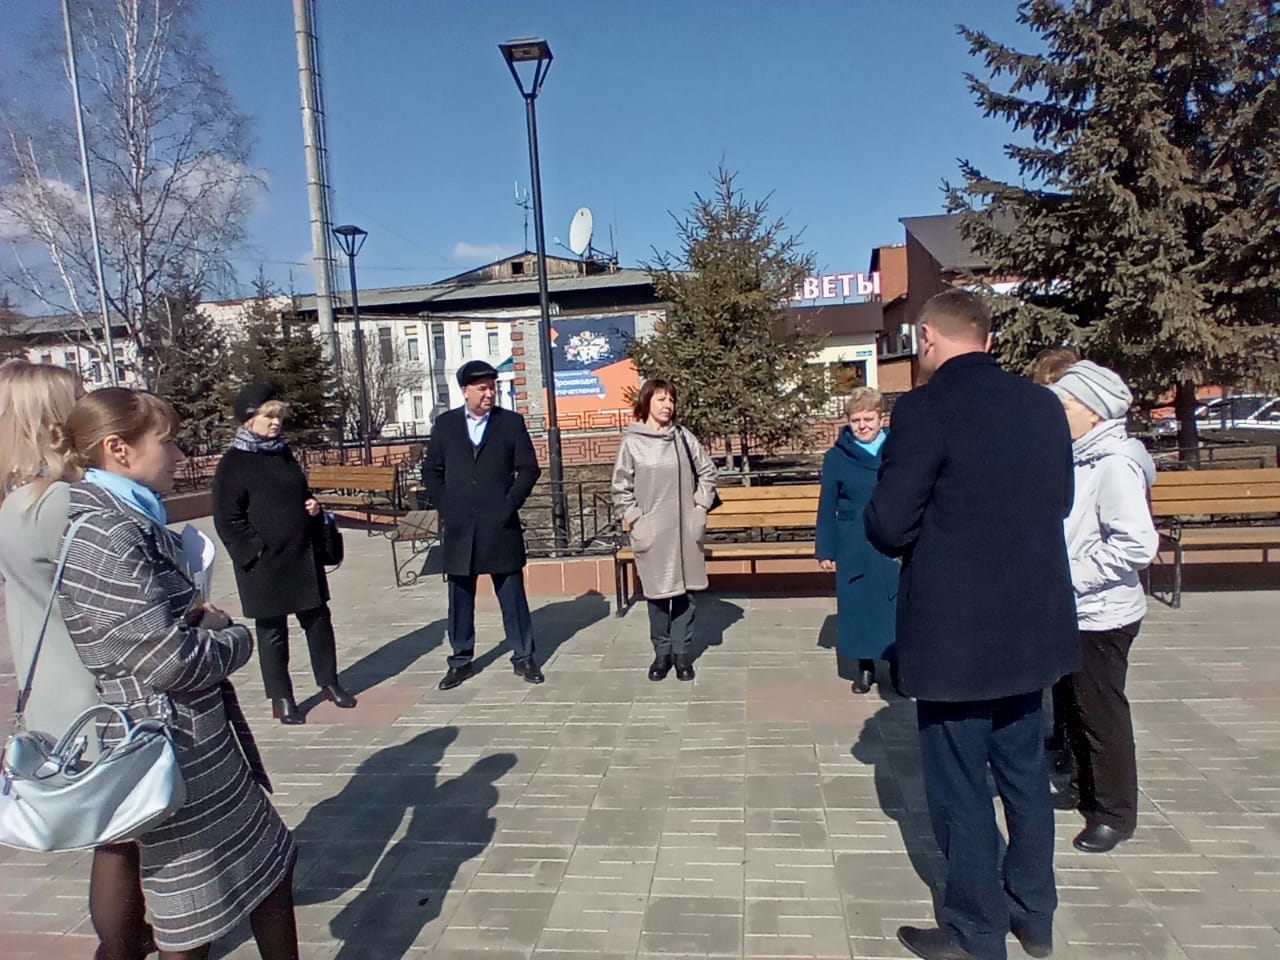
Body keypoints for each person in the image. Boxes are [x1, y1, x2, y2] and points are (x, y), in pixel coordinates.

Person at [865, 289, 1078, 960]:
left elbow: (889, 523)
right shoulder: (1042, 405)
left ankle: (975, 931)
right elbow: (1060, 500)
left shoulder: (924, 408)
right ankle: (1034, 914)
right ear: (987, 336)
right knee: (1023, 776)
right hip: (1031, 626)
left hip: (956, 635)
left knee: (960, 784)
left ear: (928, 337)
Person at [56, 387, 299, 960]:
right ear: (118, 448)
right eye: (165, 441)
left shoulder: (129, 517)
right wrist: (232, 638)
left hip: (197, 746)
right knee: (191, 919)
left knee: (269, 869)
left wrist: (191, 617)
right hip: (168, 749)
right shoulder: (104, 533)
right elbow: (170, 661)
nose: (179, 454)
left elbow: (148, 631)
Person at [0, 363, 158, 960]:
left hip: (50, 688)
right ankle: (121, 946)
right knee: (118, 836)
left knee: (113, 832)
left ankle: (125, 939)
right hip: (97, 689)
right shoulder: (63, 501)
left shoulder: (16, 501)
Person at [1050, 361, 1158, 853]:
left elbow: (1137, 545)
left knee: (1100, 712)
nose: (1058, 413)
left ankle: (1114, 812)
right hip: (1077, 610)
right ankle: (1083, 786)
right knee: (1073, 706)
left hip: (1103, 613)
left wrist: (1071, 575)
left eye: (1065, 405)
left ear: (1093, 411)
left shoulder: (1114, 463)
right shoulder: (1081, 457)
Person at [213, 383, 355, 725]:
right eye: (269, 416)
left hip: (300, 556)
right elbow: (227, 519)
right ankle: (282, 698)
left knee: (318, 622)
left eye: (278, 416)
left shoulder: (283, 453)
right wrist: (255, 552)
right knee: (273, 632)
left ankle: (329, 683)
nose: (276, 423)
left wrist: (313, 507)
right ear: (249, 419)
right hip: (264, 564)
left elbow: (300, 493)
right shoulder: (233, 463)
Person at [422, 360, 543, 690]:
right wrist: (447, 504)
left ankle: (524, 655)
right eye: (482, 388)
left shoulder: (510, 423)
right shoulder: (446, 425)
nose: (489, 394)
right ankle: (461, 660)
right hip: (460, 526)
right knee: (460, 598)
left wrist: (508, 504)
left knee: (512, 594)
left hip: (499, 524)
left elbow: (529, 469)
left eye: (492, 387)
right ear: (465, 391)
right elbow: (431, 471)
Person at [611, 379, 718, 681]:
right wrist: (637, 519)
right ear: (646, 402)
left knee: (685, 595)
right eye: (661, 399)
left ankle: (682, 653)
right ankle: (661, 653)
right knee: (657, 596)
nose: (667, 405)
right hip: (653, 533)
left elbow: (708, 471)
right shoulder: (632, 442)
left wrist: (700, 506)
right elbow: (620, 487)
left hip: (685, 531)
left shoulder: (682, 436)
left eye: (671, 399)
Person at [815, 387, 898, 694]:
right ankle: (865, 666)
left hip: (892, 536)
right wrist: (825, 549)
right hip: (853, 538)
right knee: (859, 604)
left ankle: (898, 665)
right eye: (856, 420)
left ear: (881, 418)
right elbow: (827, 505)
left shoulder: (898, 450)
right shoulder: (836, 457)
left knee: (894, 603)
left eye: (869, 419)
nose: (863, 426)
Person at [1028, 346, 1081, 772]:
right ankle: (1061, 733)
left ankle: (1078, 753)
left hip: (1083, 581)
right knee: (1060, 674)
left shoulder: (1099, 452)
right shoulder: (1045, 440)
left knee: (1087, 684)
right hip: (1052, 568)